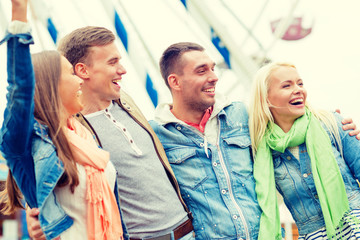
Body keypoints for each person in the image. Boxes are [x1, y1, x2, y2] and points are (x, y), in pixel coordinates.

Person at [149, 42, 360, 239]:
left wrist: (336, 123)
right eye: (202, 70)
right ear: (174, 81)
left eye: (213, 68)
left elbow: (286, 116)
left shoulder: (241, 116)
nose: (214, 77)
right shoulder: (156, 136)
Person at [26, 26, 194, 240]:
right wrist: (35, 217)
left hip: (188, 232)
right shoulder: (70, 131)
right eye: (112, 62)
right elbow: (39, 179)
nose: (122, 70)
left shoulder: (125, 101)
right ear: (83, 70)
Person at [0, 0, 127, 240]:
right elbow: (20, 88)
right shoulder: (29, 145)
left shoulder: (83, 138)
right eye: (71, 72)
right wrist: (19, 12)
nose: (80, 80)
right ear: (51, 84)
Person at [249, 62, 360, 239]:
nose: (298, 89)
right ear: (266, 98)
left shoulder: (332, 123)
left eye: (300, 83)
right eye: (287, 85)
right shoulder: (261, 151)